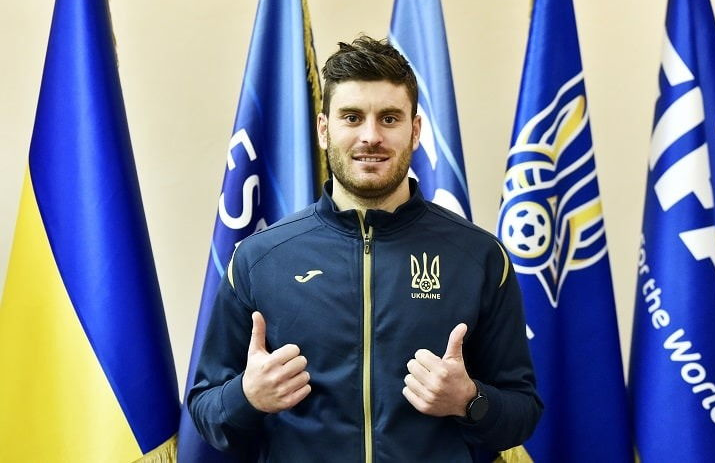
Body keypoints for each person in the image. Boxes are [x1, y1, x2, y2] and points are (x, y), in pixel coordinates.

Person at [188, 36, 542, 462]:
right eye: (352, 117)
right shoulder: (259, 258)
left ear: (415, 131)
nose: (370, 136)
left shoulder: (479, 257)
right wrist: (247, 396)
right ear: (324, 130)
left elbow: (523, 412)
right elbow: (205, 409)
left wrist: (470, 400)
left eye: (389, 118)